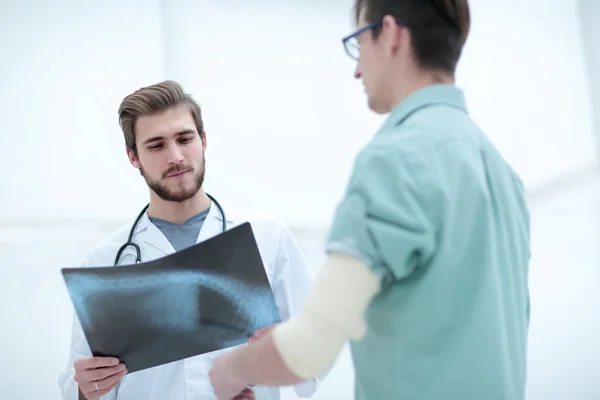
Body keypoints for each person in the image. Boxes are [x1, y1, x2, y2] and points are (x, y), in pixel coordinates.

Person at [208, 0, 531, 399]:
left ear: (391, 33)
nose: (357, 69)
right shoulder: (500, 170)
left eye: (358, 43)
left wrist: (229, 369)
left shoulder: (395, 160)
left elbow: (309, 349)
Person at [57, 80, 323, 400]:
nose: (176, 157)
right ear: (133, 157)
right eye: (156, 145)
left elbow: (317, 349)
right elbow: (77, 383)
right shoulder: (106, 259)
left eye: (185, 139)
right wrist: (87, 387)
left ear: (204, 140)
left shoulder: (267, 237)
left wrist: (284, 353)